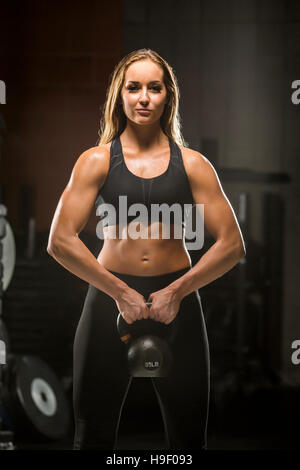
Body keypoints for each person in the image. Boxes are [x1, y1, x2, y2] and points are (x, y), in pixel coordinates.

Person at [47, 48, 246, 451]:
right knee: (92, 436)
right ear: (119, 96)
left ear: (167, 96)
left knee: (188, 440)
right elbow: (60, 240)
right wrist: (119, 292)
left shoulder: (193, 165)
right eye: (133, 87)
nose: (143, 97)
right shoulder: (95, 162)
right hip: (107, 299)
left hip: (177, 302)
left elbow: (232, 244)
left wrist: (176, 291)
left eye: (154, 88)